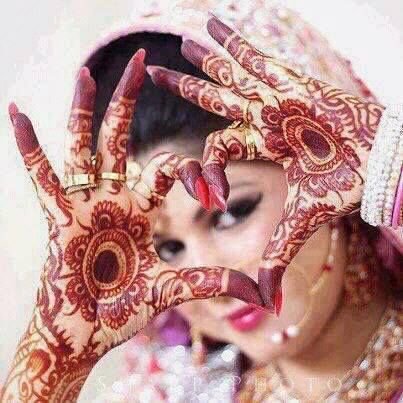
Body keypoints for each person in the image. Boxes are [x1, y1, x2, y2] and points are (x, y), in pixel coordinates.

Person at [2, 1, 402, 402]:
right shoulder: (177, 392)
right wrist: (56, 356)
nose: (210, 287)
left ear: (331, 170)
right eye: (168, 248)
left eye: (230, 215)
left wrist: (393, 178)